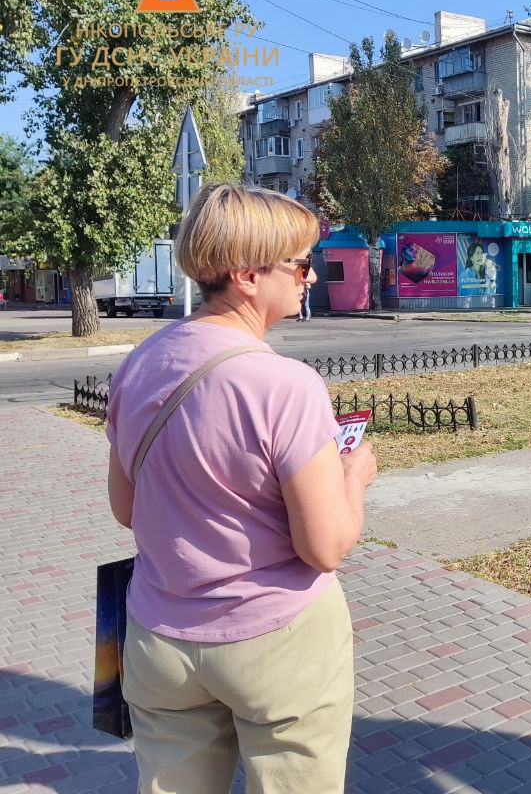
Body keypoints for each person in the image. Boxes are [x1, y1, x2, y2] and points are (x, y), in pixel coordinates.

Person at [105, 183, 378, 794]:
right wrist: (353, 476)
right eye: (302, 264)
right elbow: (325, 546)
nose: (311, 278)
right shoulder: (285, 385)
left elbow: (126, 509)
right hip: (276, 642)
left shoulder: (139, 363)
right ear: (247, 274)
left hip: (159, 639)